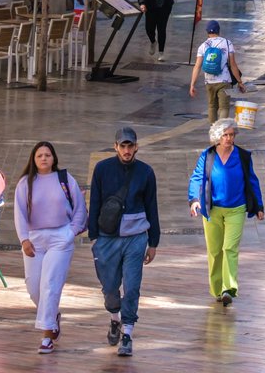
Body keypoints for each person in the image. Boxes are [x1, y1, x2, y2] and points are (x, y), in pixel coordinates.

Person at [88, 125, 159, 359]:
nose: (127, 150)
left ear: (136, 147)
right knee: (109, 287)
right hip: (107, 236)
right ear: (116, 146)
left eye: (130, 146)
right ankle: (114, 318)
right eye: (123, 145)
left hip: (136, 238)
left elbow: (152, 207)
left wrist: (153, 242)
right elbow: (95, 201)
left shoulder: (146, 172)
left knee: (132, 286)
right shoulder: (102, 169)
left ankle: (127, 332)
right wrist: (93, 236)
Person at [14, 142, 88, 354]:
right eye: (40, 155)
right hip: (34, 238)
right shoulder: (25, 183)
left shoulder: (65, 179)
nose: (44, 158)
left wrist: (71, 232)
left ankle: (47, 335)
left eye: (48, 155)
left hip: (60, 237)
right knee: (33, 286)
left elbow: (80, 209)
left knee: (50, 283)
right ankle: (52, 315)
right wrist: (24, 240)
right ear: (33, 159)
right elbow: (19, 213)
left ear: (54, 158)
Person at [188, 119, 264, 306]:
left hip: (236, 209)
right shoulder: (207, 155)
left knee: (230, 248)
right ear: (217, 137)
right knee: (215, 251)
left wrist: (259, 206)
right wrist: (194, 200)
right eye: (225, 135)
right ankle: (217, 289)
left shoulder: (243, 156)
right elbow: (197, 178)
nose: (229, 138)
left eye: (232, 135)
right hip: (212, 209)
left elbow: (252, 181)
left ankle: (228, 288)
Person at [189, 21, 246, 123]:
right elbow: (233, 65)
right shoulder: (227, 43)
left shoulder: (203, 46)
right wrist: (240, 82)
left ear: (207, 32)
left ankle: (213, 132)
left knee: (212, 107)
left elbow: (197, 66)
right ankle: (221, 131)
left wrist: (192, 84)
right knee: (224, 107)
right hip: (224, 81)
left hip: (209, 81)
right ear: (219, 31)